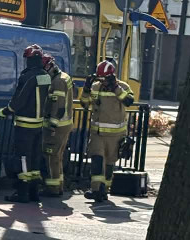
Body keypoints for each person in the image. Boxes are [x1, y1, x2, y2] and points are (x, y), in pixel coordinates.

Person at [0, 44, 50, 202]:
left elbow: (18, 100)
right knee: (34, 158)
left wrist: (5, 111)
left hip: (24, 125)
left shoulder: (27, 77)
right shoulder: (45, 76)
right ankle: (34, 193)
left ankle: (22, 193)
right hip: (38, 125)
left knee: (22, 158)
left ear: (29, 60)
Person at [80, 59, 134, 202]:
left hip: (116, 136)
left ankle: (104, 190)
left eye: (105, 79)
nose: (102, 82)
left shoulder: (123, 86)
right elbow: (84, 104)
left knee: (110, 163)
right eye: (100, 78)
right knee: (97, 161)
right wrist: (86, 88)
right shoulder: (96, 87)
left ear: (111, 76)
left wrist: (115, 88)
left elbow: (128, 101)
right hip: (97, 134)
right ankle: (96, 189)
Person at [41, 53, 74, 196]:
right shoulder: (64, 77)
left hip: (58, 125)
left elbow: (58, 106)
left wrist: (52, 125)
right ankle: (59, 185)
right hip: (64, 124)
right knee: (58, 156)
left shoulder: (58, 81)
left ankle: (53, 188)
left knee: (51, 155)